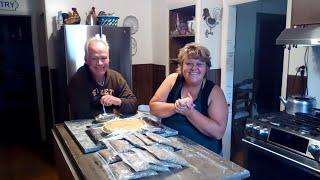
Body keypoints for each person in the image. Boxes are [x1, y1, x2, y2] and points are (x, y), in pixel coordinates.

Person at [149, 43, 228, 154]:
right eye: (189, 63)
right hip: (170, 148)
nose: (194, 68)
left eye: (199, 64)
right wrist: (177, 106)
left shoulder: (215, 92)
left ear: (207, 68)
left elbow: (218, 132)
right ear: (182, 66)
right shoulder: (172, 80)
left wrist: (190, 112)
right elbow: (153, 107)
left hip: (205, 154)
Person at [67, 36, 137, 119]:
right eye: (94, 58)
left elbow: (133, 104)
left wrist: (117, 101)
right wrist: (115, 110)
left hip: (115, 127)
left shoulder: (116, 77)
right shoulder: (77, 81)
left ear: (108, 59)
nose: (100, 63)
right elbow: (82, 114)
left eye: (103, 58)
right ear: (86, 60)